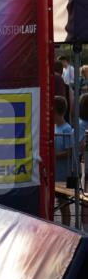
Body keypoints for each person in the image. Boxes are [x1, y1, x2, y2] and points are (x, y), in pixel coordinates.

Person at [54, 95, 74, 226]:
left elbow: (70, 152)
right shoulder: (55, 127)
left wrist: (55, 155)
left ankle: (66, 227)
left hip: (64, 174)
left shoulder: (66, 129)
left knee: (64, 204)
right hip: (56, 173)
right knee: (60, 203)